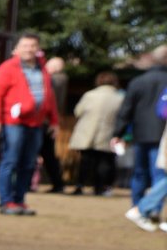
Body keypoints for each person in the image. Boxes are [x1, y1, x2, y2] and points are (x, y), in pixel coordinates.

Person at [0, 32, 55, 216]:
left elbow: (50, 96)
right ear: (17, 49)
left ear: (38, 49)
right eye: (25, 45)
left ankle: (19, 200)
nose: (29, 49)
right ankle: (6, 201)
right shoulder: (7, 68)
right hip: (13, 122)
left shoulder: (43, 70)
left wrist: (54, 120)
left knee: (29, 163)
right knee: (11, 160)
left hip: (36, 123)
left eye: (33, 46)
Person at [115, 47, 166, 209]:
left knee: (139, 172)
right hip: (162, 134)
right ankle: (151, 210)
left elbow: (126, 110)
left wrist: (119, 133)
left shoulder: (138, 81)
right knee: (159, 173)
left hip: (140, 133)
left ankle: (136, 206)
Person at [68, 70, 122, 198]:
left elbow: (78, 111)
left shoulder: (90, 95)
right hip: (107, 133)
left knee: (85, 161)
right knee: (104, 162)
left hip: (87, 132)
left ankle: (79, 186)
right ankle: (99, 188)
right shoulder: (119, 98)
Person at [37, 55, 69, 194]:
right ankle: (58, 183)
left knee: (46, 153)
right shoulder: (60, 80)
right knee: (48, 153)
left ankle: (57, 183)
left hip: (45, 121)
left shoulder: (55, 80)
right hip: (49, 120)